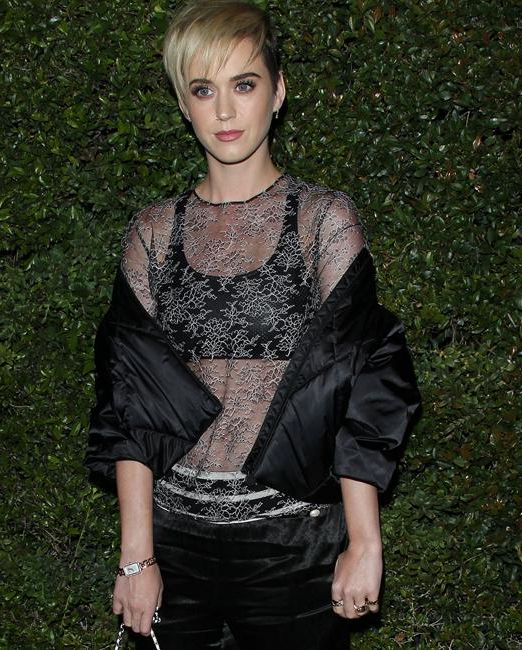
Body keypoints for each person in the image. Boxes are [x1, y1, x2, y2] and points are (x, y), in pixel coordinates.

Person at [85, 1, 420, 648]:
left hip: (294, 547)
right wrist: (136, 558)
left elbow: (365, 384)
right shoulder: (152, 233)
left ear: (278, 90)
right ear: (183, 105)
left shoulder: (323, 222)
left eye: (244, 84)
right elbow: (130, 404)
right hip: (174, 549)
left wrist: (365, 542)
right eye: (202, 90)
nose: (224, 110)